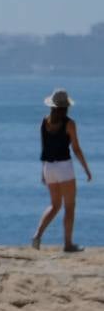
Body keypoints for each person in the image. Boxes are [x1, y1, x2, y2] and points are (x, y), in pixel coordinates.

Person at [32, 89, 92, 253]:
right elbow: (76, 149)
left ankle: (37, 235)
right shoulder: (69, 124)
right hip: (64, 167)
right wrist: (86, 169)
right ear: (66, 107)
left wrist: (42, 173)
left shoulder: (44, 122)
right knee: (69, 207)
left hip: (48, 168)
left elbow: (45, 149)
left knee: (54, 205)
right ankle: (68, 244)